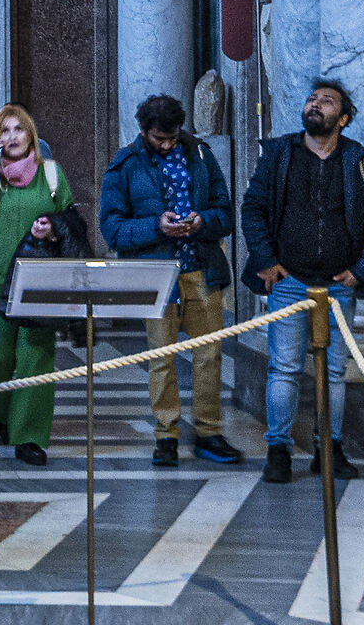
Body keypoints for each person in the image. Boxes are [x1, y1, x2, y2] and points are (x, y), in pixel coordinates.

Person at [241, 77, 364, 485]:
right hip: (289, 281)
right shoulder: (279, 154)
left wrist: (361, 269)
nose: (315, 104)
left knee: (334, 372)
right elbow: (253, 209)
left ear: (342, 119)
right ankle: (278, 451)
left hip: (340, 285)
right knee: (285, 368)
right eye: (312, 99)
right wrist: (266, 262)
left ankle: (329, 448)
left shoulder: (358, 160)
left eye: (326, 101)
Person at [100, 92, 241, 468]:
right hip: (157, 275)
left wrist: (203, 221)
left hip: (201, 269)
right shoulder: (125, 165)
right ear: (143, 130)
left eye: (172, 137)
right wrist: (156, 226)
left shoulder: (200, 155)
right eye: (159, 138)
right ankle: (166, 435)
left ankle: (209, 432)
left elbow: (225, 211)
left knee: (209, 355)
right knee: (161, 358)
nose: (167, 145)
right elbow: (112, 228)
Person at [0, 104, 88, 466]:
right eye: (4, 131)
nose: (12, 136)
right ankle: (1, 413)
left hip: (38, 281)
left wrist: (51, 229)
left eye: (18, 129)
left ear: (31, 135)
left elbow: (69, 219)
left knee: (36, 358)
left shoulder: (50, 172)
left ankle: (29, 435)